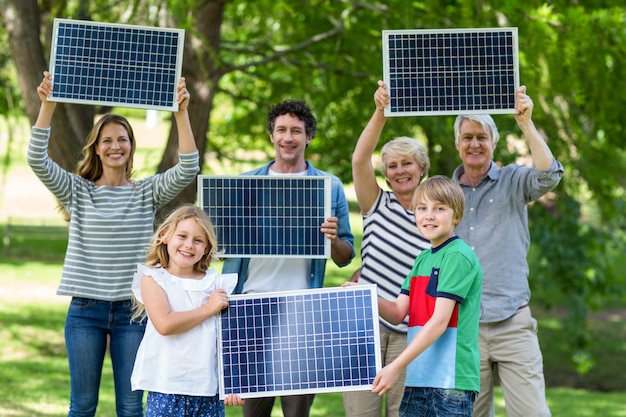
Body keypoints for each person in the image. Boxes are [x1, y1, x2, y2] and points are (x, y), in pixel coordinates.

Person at [28, 71, 200, 417]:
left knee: (130, 406)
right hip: (85, 312)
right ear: (96, 147)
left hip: (132, 312)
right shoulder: (78, 191)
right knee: (82, 406)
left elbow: (188, 166)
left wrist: (180, 112)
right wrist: (47, 106)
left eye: (122, 139)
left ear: (131, 147)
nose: (115, 146)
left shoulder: (146, 193)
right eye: (106, 140)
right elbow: (37, 160)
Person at [222, 98, 355, 417]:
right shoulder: (244, 184)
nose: (288, 137)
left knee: (297, 411)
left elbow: (345, 257)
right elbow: (217, 247)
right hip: (251, 309)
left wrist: (333, 238)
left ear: (308, 137)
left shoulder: (329, 186)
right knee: (254, 410)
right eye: (281, 129)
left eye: (296, 130)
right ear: (271, 135)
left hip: (302, 312)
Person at [451, 86, 563, 417]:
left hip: (513, 322)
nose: (475, 144)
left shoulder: (513, 180)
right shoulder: (445, 192)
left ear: (494, 142)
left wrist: (526, 124)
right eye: (468, 137)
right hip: (463, 329)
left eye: (482, 137)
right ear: (458, 144)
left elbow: (549, 175)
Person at [344, 80, 431, 417]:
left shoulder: (434, 216)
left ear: (421, 168)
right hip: (364, 327)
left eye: (406, 163)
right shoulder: (377, 204)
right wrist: (380, 111)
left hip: (412, 333)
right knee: (360, 413)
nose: (399, 171)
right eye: (392, 166)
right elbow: (359, 158)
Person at [371, 175, 483, 417]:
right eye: (422, 208)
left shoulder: (457, 256)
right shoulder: (422, 259)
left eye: (439, 208)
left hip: (450, 382)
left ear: (456, 216)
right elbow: (398, 312)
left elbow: (440, 322)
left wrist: (395, 367)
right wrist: (364, 296)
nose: (429, 215)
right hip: (419, 377)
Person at [130, 204, 244, 416]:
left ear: (207, 248)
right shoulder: (153, 279)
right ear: (165, 236)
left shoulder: (216, 284)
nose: (189, 245)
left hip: (208, 391)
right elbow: (165, 324)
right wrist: (208, 308)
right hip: (166, 389)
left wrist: (234, 382)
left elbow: (229, 339)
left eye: (198, 240)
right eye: (182, 236)